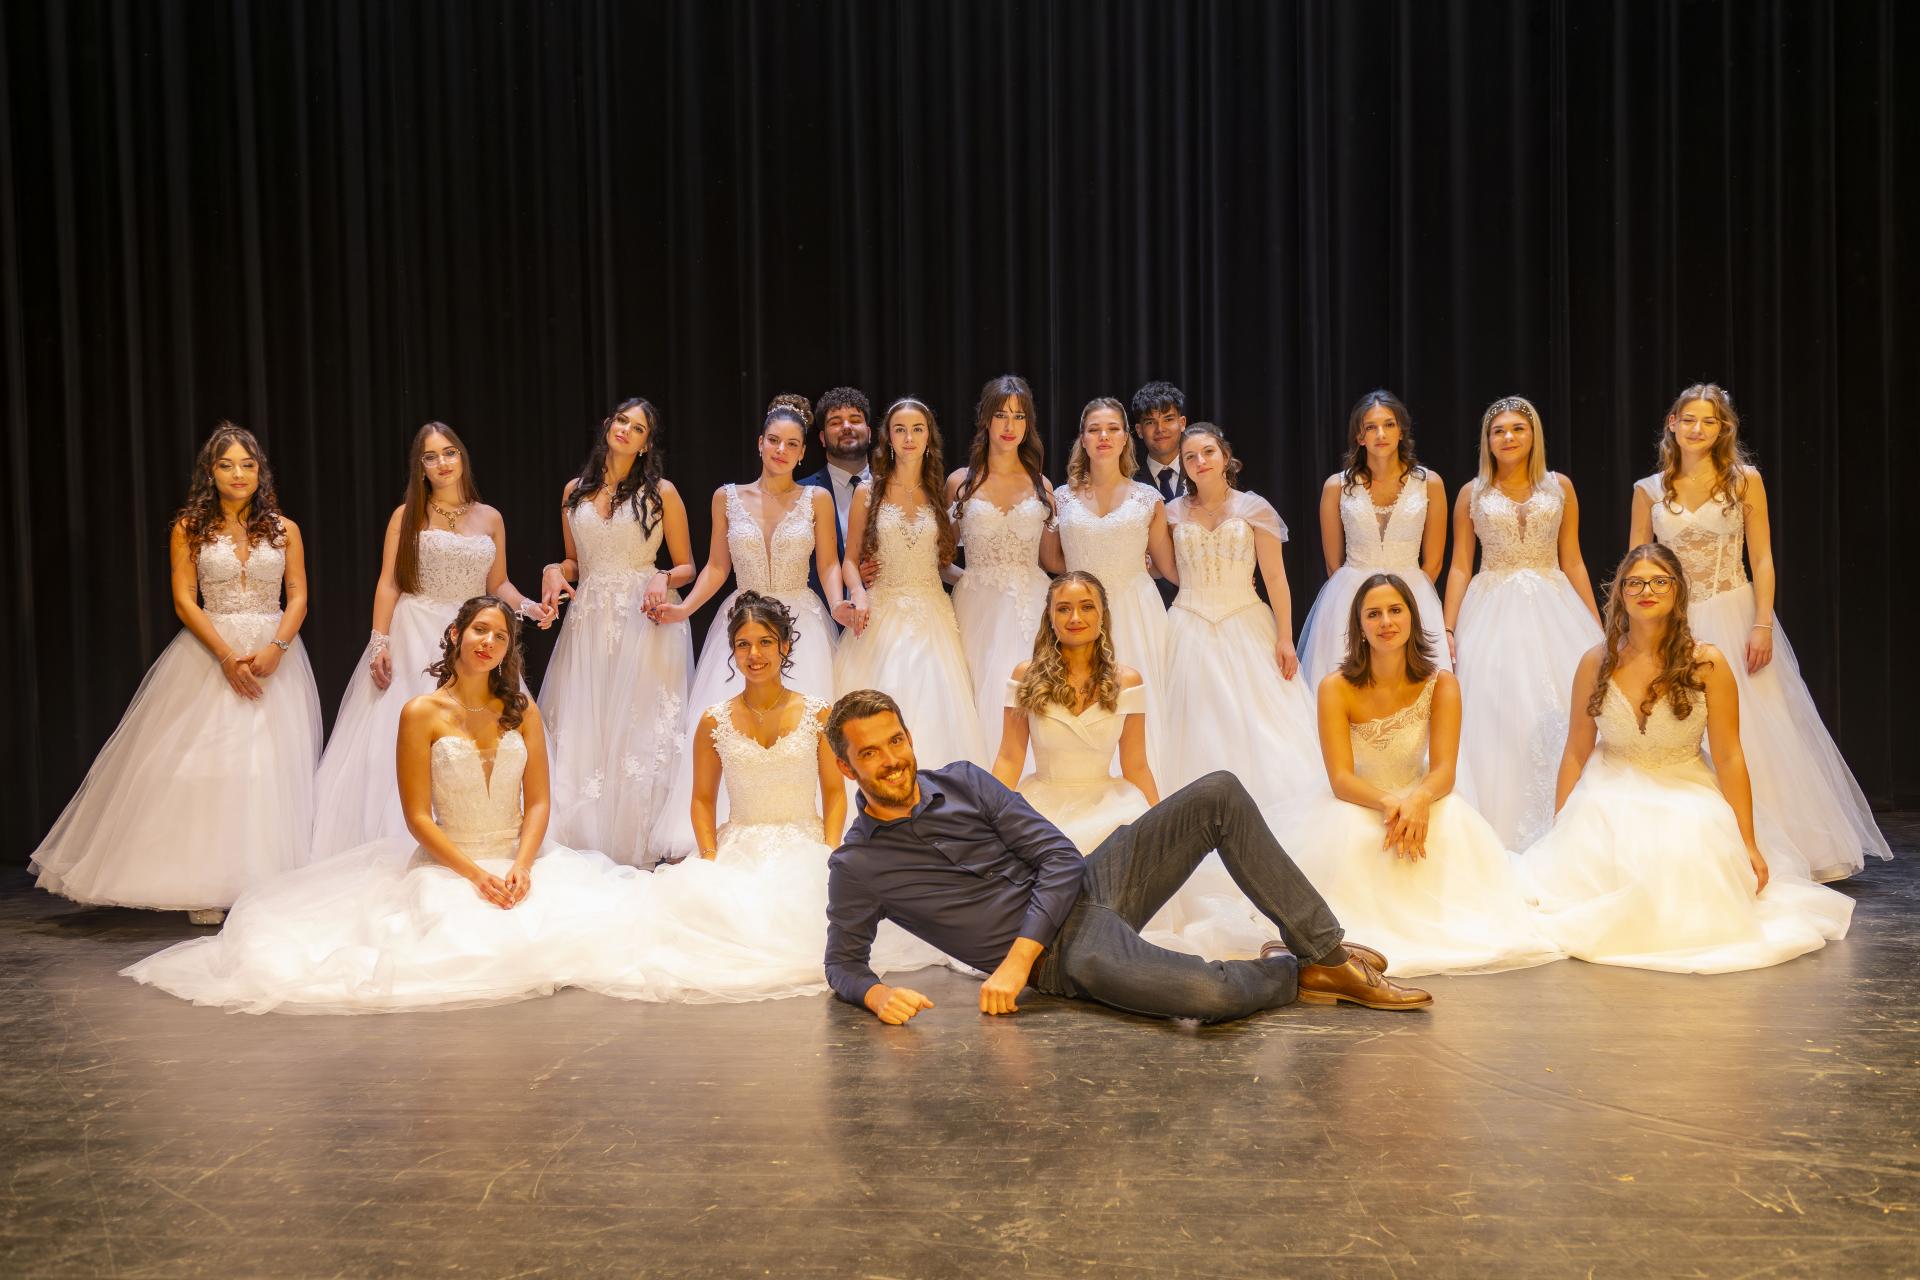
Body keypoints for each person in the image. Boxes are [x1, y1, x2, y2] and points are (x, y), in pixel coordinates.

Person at [122, 597, 648, 1013]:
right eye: (480, 630)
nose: (489, 642)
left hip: (519, 858)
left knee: (587, 934)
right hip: (451, 863)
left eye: (500, 636)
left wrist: (523, 866)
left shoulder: (520, 709)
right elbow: (417, 817)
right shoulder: (421, 712)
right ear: (456, 635)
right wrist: (474, 876)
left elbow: (538, 803)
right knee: (464, 945)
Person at [824, 688, 1433, 1026]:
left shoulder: (963, 780)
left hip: (1091, 886)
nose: (892, 760)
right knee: (1209, 1000)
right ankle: (1298, 974)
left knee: (1217, 793)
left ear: (909, 736)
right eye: (870, 753)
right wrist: (874, 994)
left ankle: (1326, 953)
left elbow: (1059, 857)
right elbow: (842, 962)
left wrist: (1013, 963)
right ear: (849, 768)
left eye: (896, 740)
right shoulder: (857, 867)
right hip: (1067, 957)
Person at [31, 424, 322, 924]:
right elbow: (185, 600)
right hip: (210, 653)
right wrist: (226, 656)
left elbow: (297, 594)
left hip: (274, 655)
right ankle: (204, 884)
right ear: (210, 472)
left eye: (247, 465)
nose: (238, 474)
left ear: (260, 472)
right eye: (226, 465)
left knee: (267, 770)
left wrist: (277, 647)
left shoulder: (284, 529)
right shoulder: (190, 527)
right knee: (205, 770)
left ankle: (262, 882)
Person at [1518, 546, 1854, 971]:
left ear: (1677, 590)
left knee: (1687, 848)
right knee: (1606, 848)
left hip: (1683, 783)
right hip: (1609, 783)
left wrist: (1748, 843)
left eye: (1660, 581)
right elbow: (1575, 751)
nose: (1647, 591)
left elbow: (1729, 756)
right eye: (1635, 583)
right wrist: (1560, 829)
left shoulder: (1707, 662)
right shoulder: (1595, 662)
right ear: (1620, 593)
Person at [614, 593, 946, 1002]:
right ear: (733, 650)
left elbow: (834, 793)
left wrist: (830, 850)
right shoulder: (713, 721)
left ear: (785, 645)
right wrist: (710, 858)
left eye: (765, 642)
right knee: (716, 931)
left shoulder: (818, 714)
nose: (754, 654)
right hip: (739, 846)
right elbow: (701, 800)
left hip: (805, 844)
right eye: (743, 644)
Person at [1629, 383, 1888, 882]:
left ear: (1723, 428)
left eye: (1709, 421)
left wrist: (1762, 622)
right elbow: (1638, 563)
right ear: (1672, 424)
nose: (1697, 429)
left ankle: (1771, 843)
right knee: (1678, 725)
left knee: (1753, 726)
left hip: (1733, 610)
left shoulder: (1743, 481)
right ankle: (1692, 845)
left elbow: (1762, 557)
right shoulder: (1649, 490)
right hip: (1674, 620)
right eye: (1689, 420)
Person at [1292, 575, 1562, 976]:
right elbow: (1341, 779)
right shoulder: (1336, 687)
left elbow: (1444, 770)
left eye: (1395, 610)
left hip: (1422, 794)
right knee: (1356, 839)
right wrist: (1390, 803)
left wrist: (1417, 799)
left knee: (1446, 825)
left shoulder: (1441, 684)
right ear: (1360, 627)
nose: (1386, 622)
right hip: (1361, 799)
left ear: (1412, 619)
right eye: (1373, 614)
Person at [311, 421, 553, 861]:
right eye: (431, 456)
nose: (442, 463)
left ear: (462, 457)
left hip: (474, 634)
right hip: (416, 630)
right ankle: (400, 844)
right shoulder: (407, 515)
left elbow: (497, 583)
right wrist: (379, 641)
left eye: (449, 453)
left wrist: (530, 608)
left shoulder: (490, 517)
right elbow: (389, 583)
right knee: (407, 730)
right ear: (420, 467)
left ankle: (481, 829)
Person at [650, 395, 849, 861]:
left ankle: (813, 832)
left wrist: (839, 602)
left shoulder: (816, 499)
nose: (781, 450)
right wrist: (685, 609)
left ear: (803, 452)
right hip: (742, 618)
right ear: (760, 443)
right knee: (734, 728)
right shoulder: (727, 497)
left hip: (801, 622)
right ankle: (729, 833)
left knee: (807, 725)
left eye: (792, 444)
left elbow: (828, 564)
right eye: (774, 441)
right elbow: (717, 567)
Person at [534, 397, 695, 867]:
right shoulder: (574, 492)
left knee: (639, 728)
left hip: (644, 616)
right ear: (608, 425)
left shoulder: (662, 493)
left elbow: (687, 565)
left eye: (638, 428)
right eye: (622, 421)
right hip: (590, 620)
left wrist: (663, 576)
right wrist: (552, 568)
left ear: (646, 445)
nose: (626, 430)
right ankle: (584, 843)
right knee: (587, 725)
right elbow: (575, 562)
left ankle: (638, 846)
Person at [1441, 396, 1603, 849]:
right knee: (1497, 710)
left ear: (1533, 436)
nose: (1508, 437)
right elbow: (1460, 565)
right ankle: (1499, 826)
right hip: (1491, 607)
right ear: (1487, 441)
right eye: (1499, 431)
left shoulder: (1559, 486)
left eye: (1517, 429)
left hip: (1555, 604)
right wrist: (1448, 628)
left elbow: (1573, 560)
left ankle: (1569, 817)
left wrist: (1599, 626)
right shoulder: (1472, 493)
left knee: (1566, 705)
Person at [1160, 423, 1323, 812]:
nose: (1200, 461)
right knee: (1192, 723)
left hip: (1245, 620)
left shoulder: (1253, 508)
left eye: (1208, 452)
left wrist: (1285, 637)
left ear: (1225, 456)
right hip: (1187, 624)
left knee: (1261, 725)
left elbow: (1275, 578)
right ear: (1183, 466)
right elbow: (1167, 567)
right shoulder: (1171, 512)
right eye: (1190, 457)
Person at [833, 396, 986, 768]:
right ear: (888, 437)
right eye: (900, 430)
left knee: (937, 708)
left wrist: (979, 583)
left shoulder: (938, 492)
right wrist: (858, 593)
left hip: (933, 614)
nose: (909, 438)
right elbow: (850, 560)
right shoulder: (868, 492)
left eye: (917, 429)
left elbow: (942, 562)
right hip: (882, 611)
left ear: (929, 437)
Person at [1054, 397, 1179, 776]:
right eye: (1094, 430)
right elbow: (1052, 560)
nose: (1103, 436)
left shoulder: (1148, 499)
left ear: (1126, 437)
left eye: (1112, 429)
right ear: (1083, 439)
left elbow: (1167, 567)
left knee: (1138, 706)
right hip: (1080, 613)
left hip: (1136, 611)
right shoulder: (1061, 497)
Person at [1297, 392, 1449, 686]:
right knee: (1350, 683)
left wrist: (1404, 603)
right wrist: (1358, 604)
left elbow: (1434, 561)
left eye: (1389, 424)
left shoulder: (1429, 483)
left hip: (1413, 595)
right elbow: (1333, 564)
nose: (1381, 434)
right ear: (1360, 436)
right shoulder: (1337, 486)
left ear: (1401, 431)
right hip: (1349, 597)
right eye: (1371, 427)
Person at [948, 374, 1060, 755]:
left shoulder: (1041, 485)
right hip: (975, 605)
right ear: (985, 419)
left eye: (1019, 416)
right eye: (1001, 415)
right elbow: (941, 558)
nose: (1010, 426)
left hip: (1032, 603)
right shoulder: (961, 482)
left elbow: (1052, 559)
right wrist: (971, 580)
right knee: (980, 692)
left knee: (1029, 690)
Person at [799, 385, 873, 560]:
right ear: (822, 438)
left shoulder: (894, 488)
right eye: (835, 422)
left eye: (855, 420)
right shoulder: (800, 493)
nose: (846, 427)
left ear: (869, 433)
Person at [1131, 381, 1188, 607]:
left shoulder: (1204, 472)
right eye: (1150, 422)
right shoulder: (1126, 481)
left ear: (1182, 423)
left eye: (1168, 419)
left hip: (1199, 601)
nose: (1160, 429)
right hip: (1145, 602)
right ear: (1138, 430)